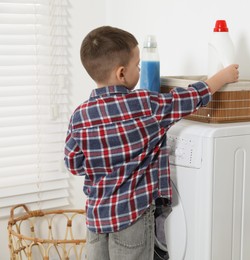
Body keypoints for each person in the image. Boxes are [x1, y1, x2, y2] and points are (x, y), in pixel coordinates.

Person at [64, 25, 239, 260]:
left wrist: (103, 162)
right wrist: (223, 76)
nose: (140, 69)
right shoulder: (146, 105)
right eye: (138, 65)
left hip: (96, 219)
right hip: (132, 217)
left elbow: (74, 164)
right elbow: (188, 98)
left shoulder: (80, 116)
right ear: (122, 73)